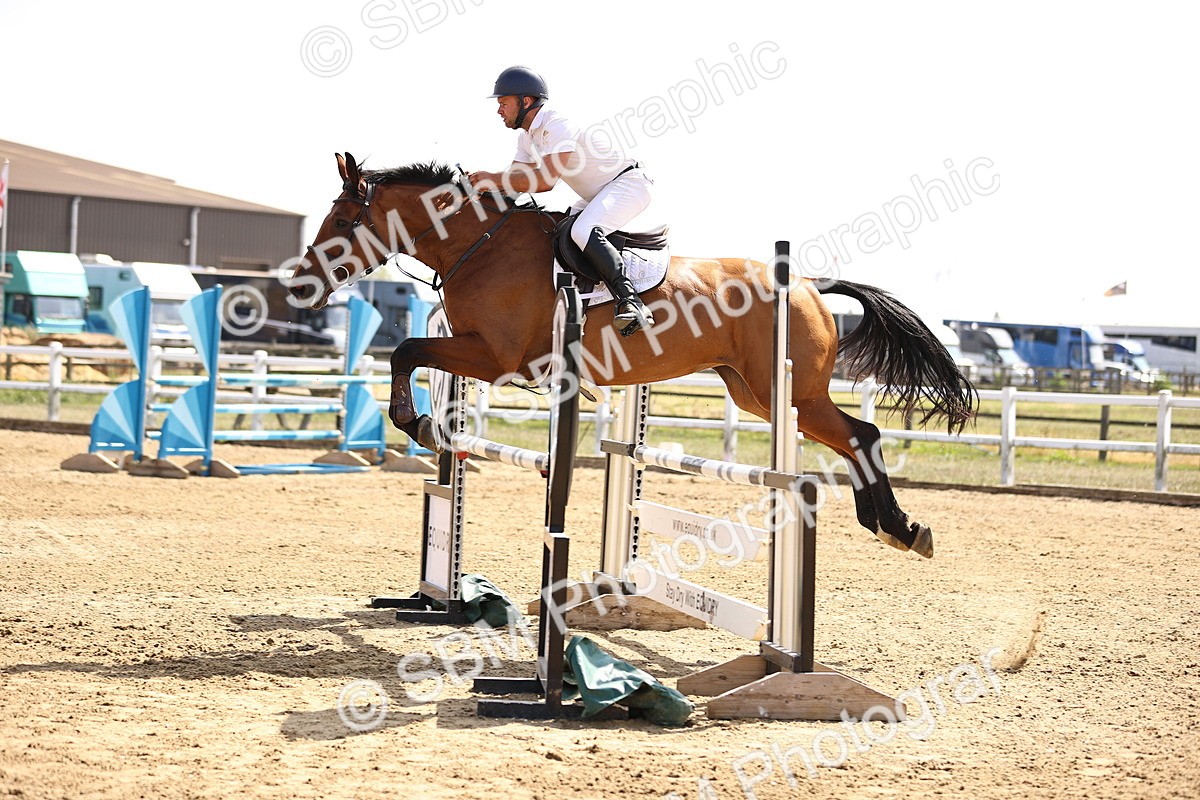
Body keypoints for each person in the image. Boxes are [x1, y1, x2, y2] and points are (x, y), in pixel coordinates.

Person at [469, 66, 656, 335]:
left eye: (503, 103)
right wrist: (473, 192)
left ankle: (632, 302)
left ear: (526, 101)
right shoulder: (526, 138)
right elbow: (512, 188)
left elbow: (545, 181)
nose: (499, 110)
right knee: (557, 230)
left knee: (582, 230)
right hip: (600, 192)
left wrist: (492, 178)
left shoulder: (556, 123)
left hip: (630, 183)